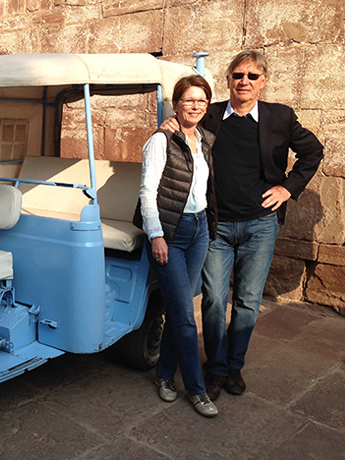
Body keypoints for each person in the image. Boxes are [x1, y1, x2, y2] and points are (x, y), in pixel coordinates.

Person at [162, 50, 323, 401]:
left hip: (261, 225)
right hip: (217, 226)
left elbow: (313, 152)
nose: (244, 82)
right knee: (215, 301)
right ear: (229, 79)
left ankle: (234, 366)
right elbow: (183, 127)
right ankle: (215, 370)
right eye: (238, 75)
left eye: (252, 76)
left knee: (248, 301)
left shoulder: (280, 117)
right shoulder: (212, 114)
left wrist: (288, 187)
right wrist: (169, 124)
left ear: (263, 81)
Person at [136, 75, 218, 417]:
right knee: (185, 316)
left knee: (179, 308)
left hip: (199, 229)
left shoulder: (205, 140)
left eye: (201, 100)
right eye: (189, 100)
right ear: (177, 103)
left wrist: (209, 227)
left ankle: (166, 376)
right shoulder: (161, 140)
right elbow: (147, 192)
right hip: (171, 233)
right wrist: (156, 235)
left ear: (207, 106)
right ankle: (197, 391)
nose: (195, 105)